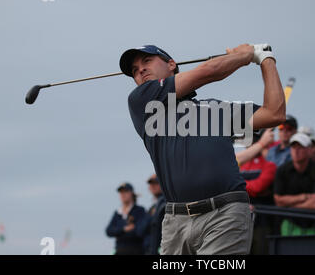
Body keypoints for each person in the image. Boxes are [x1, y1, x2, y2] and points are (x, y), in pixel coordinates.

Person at [120, 44, 286, 255]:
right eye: (134, 70)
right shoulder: (142, 101)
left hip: (225, 214)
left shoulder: (215, 109)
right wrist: (246, 56)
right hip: (175, 221)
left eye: (147, 61)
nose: (140, 70)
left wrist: (266, 59)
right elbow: (209, 71)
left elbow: (274, 113)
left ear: (172, 65)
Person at [273, 133, 315, 236]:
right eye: (293, 147)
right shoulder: (282, 170)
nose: (296, 151)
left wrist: (289, 206)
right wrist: (304, 197)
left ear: (309, 150)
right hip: (290, 223)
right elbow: (278, 200)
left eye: (300, 147)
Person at [236, 129, 277, 254]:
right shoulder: (241, 164)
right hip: (242, 222)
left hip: (263, 222)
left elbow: (258, 187)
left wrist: (240, 184)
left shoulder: (269, 165)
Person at [106, 183, 147, 255]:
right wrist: (124, 229)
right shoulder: (117, 213)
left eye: (126, 191)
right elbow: (109, 231)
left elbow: (140, 230)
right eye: (121, 192)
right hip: (119, 251)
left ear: (131, 193)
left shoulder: (139, 210)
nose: (123, 194)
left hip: (136, 251)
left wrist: (118, 233)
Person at [140, 174, 166, 255]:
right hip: (150, 249)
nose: (153, 186)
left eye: (156, 183)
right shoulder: (152, 208)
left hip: (162, 248)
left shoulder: (166, 203)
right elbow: (140, 230)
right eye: (151, 184)